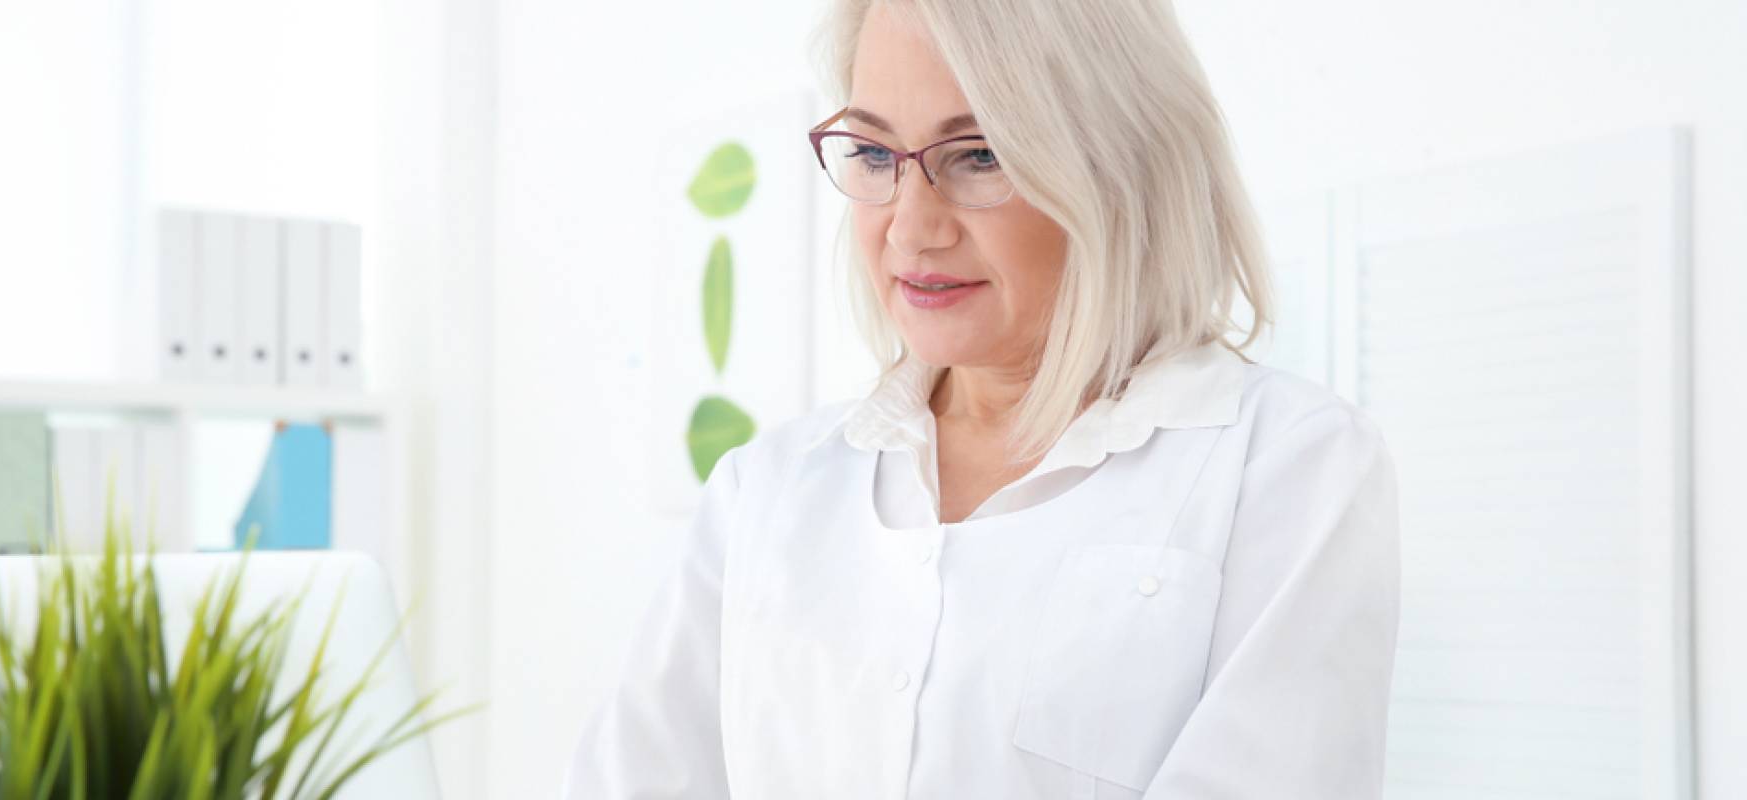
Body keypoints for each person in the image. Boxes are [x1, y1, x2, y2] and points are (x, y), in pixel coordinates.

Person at [562, 0, 1399, 797]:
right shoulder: (764, 494)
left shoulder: (1289, 467)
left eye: (980, 156)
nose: (910, 226)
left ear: (1123, 162)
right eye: (878, 156)